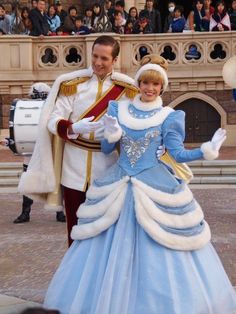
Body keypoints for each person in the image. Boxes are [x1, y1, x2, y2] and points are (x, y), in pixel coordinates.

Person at [44, 54, 236, 314]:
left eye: (155, 85)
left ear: (162, 88)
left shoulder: (170, 116)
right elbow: (106, 148)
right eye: (146, 83)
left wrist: (205, 151)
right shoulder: (117, 109)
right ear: (139, 83)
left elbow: (177, 153)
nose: (150, 89)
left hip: (155, 186)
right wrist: (111, 136)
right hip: (119, 185)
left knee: (160, 248)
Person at [18, 35, 139, 246]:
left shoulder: (127, 89)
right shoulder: (73, 84)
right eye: (95, 56)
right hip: (73, 168)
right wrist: (73, 127)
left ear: (115, 60)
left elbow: (137, 126)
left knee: (106, 231)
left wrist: (118, 132)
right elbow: (52, 120)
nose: (98, 63)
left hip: (108, 168)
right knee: (75, 232)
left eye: (104, 58)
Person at [8, 83, 66, 224]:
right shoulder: (29, 108)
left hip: (49, 155)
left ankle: (59, 213)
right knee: (29, 185)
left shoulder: (54, 110)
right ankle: (25, 213)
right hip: (30, 157)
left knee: (56, 185)